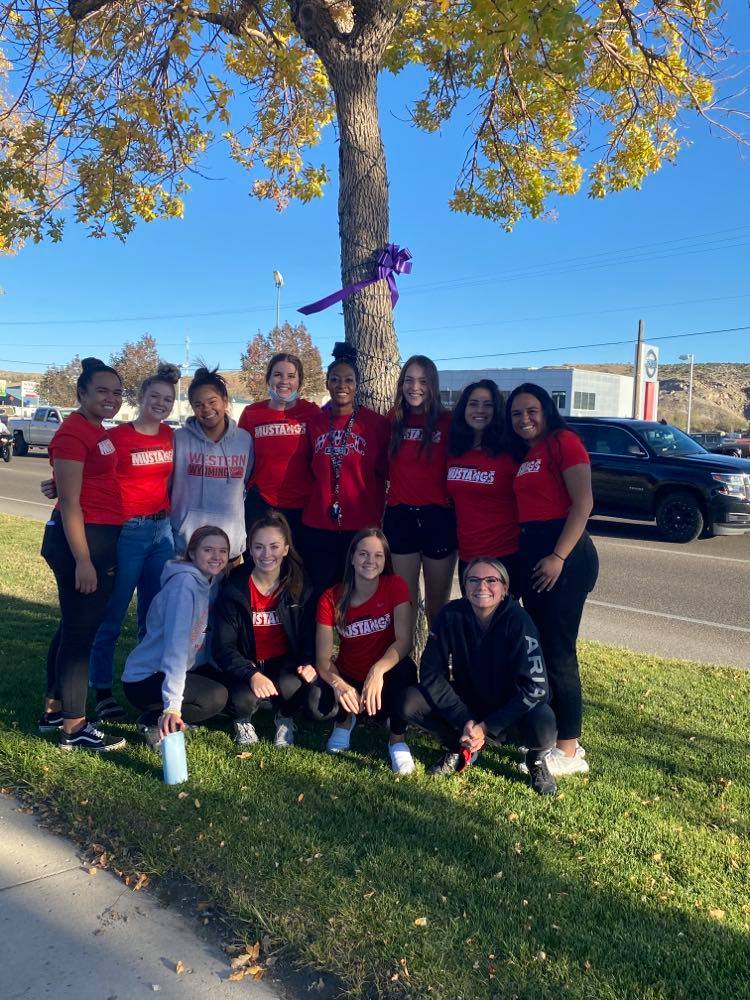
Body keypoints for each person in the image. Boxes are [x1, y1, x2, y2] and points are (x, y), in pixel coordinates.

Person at [397, 558, 557, 795]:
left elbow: (536, 687)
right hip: (468, 701)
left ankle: (535, 760)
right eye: (474, 580)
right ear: (465, 586)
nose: (482, 586)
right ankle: (456, 746)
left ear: (504, 590)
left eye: (491, 580)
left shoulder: (519, 621)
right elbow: (431, 673)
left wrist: (488, 726)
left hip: (508, 707)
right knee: (409, 701)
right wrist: (465, 720)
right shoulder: (450, 615)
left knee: (543, 718)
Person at [505, 382, 599, 777]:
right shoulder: (530, 452)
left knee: (559, 653)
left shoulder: (564, 441)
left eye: (531, 410)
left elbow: (583, 504)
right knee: (541, 649)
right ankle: (550, 732)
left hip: (564, 557)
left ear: (546, 410)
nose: (524, 419)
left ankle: (570, 750)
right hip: (536, 555)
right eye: (516, 414)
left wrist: (558, 556)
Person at [39, 357, 127, 752]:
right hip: (83, 542)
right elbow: (71, 504)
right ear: (82, 393)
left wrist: (56, 481)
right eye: (102, 391)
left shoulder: (95, 429)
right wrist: (85, 561)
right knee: (80, 634)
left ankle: (54, 709)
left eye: (117, 392)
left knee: (71, 625)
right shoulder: (74, 432)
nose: (111, 398)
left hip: (98, 536)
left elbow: (76, 481)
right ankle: (74, 727)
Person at [86, 364, 180, 721]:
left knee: (155, 617)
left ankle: (146, 690)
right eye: (154, 396)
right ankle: (103, 691)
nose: (160, 403)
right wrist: (55, 485)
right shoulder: (117, 437)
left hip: (162, 533)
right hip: (128, 534)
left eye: (167, 399)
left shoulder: (171, 437)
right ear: (140, 399)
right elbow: (86, 472)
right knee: (111, 615)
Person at [122, 526, 249, 749]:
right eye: (208, 550)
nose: (216, 557)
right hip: (147, 676)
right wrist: (172, 706)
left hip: (188, 668)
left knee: (238, 691)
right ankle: (153, 721)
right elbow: (175, 651)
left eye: (222, 551)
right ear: (192, 553)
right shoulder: (183, 588)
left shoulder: (213, 581)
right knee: (215, 697)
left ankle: (175, 710)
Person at [306, 528, 417, 775]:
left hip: (384, 677)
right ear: (353, 558)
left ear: (385, 560)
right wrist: (340, 686)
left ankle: (397, 740)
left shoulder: (395, 585)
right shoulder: (331, 597)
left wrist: (377, 671)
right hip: (350, 675)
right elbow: (323, 660)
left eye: (378, 555)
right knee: (317, 702)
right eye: (364, 554)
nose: (370, 561)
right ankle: (345, 721)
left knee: (407, 670)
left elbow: (404, 641)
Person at [212, 512, 317, 748]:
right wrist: (252, 674)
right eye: (259, 547)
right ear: (250, 548)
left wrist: (309, 662)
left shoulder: (299, 585)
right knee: (243, 699)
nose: (266, 554)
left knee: (293, 686)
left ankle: (285, 717)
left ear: (286, 549)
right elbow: (223, 646)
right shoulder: (234, 587)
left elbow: (309, 634)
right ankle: (243, 720)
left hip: (282, 662)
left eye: (274, 546)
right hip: (246, 662)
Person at [302, 343, 390, 594]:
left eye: (349, 380)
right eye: (335, 379)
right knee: (322, 593)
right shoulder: (315, 424)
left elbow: (385, 472)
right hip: (318, 524)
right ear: (327, 384)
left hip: (361, 525)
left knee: (359, 594)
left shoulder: (376, 424)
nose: (342, 385)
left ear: (357, 385)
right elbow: (307, 470)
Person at [383, 355, 456, 623]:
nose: (415, 387)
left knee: (438, 608)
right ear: (401, 384)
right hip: (400, 517)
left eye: (423, 381)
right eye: (409, 380)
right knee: (405, 607)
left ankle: (435, 663)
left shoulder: (448, 421)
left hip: (438, 518)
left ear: (432, 385)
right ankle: (406, 663)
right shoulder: (393, 420)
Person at [238, 352, 319, 554]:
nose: (284, 381)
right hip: (261, 503)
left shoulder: (313, 413)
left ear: (299, 382)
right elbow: (241, 459)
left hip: (301, 506)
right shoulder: (251, 413)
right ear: (268, 378)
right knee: (259, 562)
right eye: (277, 375)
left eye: (291, 376)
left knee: (296, 566)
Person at [171, 366, 254, 561]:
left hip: (229, 547)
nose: (206, 409)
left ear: (225, 401)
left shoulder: (244, 440)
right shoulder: (179, 439)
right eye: (198, 404)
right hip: (188, 545)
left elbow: (246, 480)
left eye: (212, 401)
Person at [446, 380, 520, 594]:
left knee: (499, 623)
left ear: (496, 410)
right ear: (464, 409)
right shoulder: (455, 451)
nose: (480, 410)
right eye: (473, 404)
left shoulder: (510, 452)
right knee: (473, 621)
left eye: (487, 405)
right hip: (468, 556)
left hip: (503, 556)